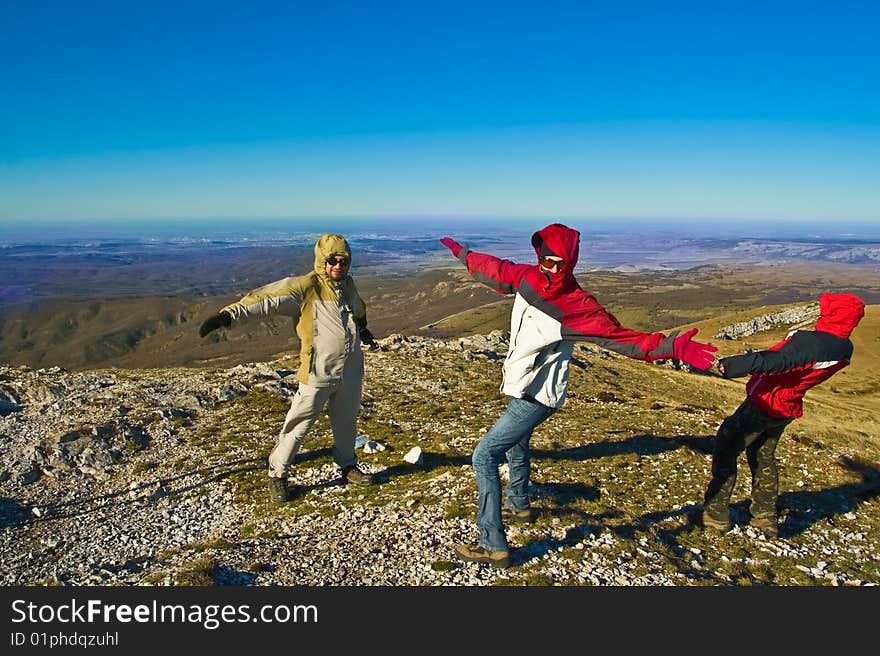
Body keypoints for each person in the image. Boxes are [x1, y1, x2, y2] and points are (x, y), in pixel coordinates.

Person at [439, 223, 718, 568]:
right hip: (522, 384)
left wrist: (671, 346)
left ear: (571, 262)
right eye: (548, 262)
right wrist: (465, 256)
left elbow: (622, 338)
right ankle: (519, 504)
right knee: (517, 442)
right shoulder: (528, 277)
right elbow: (496, 270)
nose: (554, 270)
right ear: (539, 257)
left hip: (537, 393)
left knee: (483, 456)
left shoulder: (577, 305)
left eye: (561, 264)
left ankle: (492, 544)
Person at [199, 233, 379, 503]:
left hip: (351, 370)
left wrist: (363, 329)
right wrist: (229, 316)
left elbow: (358, 308)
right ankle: (278, 474)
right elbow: (267, 299)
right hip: (318, 373)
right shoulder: (306, 287)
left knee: (346, 423)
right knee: (299, 424)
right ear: (322, 261)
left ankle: (347, 466)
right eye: (333, 260)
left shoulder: (348, 286)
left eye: (344, 261)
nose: (338, 266)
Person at [702, 292, 865, 537]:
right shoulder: (843, 347)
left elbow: (779, 361)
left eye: (826, 310)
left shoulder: (814, 344)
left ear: (833, 314)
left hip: (765, 402)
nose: (822, 312)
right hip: (786, 407)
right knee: (763, 455)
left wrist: (734, 365)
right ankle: (765, 518)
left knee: (727, 446)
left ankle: (716, 516)